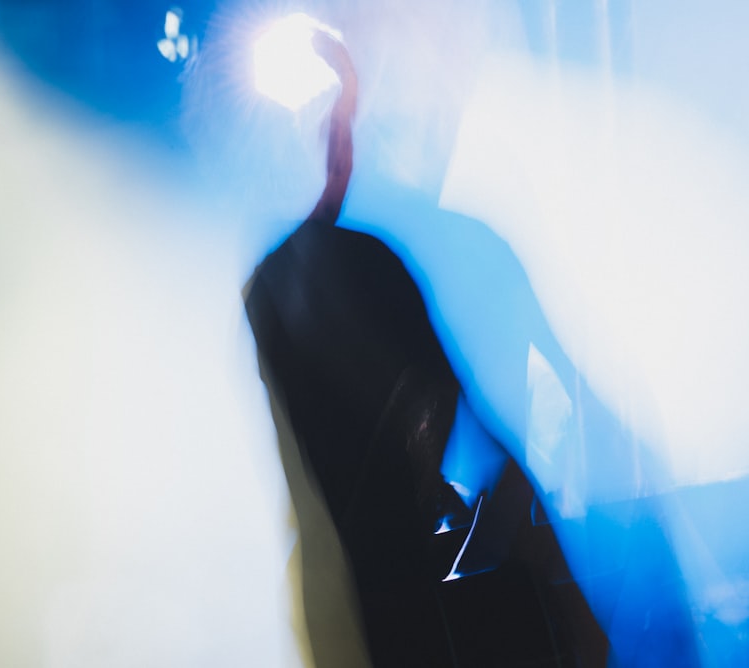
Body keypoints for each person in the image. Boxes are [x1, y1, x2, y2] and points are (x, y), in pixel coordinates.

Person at [243, 32, 605, 667]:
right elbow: (478, 433)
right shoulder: (367, 270)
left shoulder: (267, 289)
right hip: (394, 606)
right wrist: (574, 608)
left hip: (336, 605)